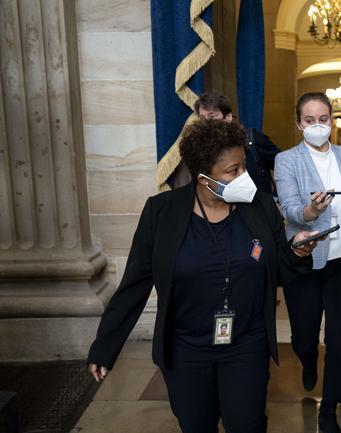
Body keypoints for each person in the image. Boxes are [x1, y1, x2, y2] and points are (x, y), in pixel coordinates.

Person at [87, 119, 320, 433]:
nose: (244, 177)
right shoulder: (161, 212)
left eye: (244, 167)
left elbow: (278, 265)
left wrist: (297, 252)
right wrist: (105, 345)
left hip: (246, 343)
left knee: (248, 424)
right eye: (233, 171)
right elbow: (135, 283)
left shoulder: (261, 206)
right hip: (185, 348)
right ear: (203, 179)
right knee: (197, 425)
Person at [274, 92, 341, 433]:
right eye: (309, 120)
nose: (318, 126)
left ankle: (330, 412)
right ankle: (308, 361)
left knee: (339, 341)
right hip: (305, 263)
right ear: (299, 124)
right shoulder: (287, 160)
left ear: (332, 120)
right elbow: (291, 209)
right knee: (304, 337)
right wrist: (313, 211)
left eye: (323, 119)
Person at [194, 91, 281, 195]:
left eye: (212, 116)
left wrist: (278, 200)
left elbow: (285, 168)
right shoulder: (200, 147)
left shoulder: (253, 139)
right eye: (202, 118)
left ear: (228, 117)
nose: (206, 122)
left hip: (257, 206)